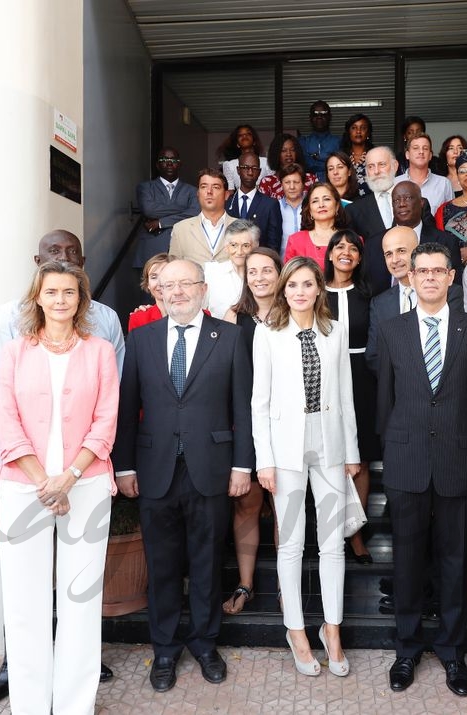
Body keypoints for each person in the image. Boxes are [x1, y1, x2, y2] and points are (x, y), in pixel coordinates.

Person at [0, 229, 122, 703]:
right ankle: (29, 705)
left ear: (81, 298)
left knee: (80, 600)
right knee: (25, 605)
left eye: (69, 291)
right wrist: (46, 482)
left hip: (85, 484)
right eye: (51, 292)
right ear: (37, 298)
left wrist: (70, 477)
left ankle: (73, 705)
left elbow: (106, 422)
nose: (60, 299)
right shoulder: (14, 352)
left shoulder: (100, 351)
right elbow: (7, 422)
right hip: (25, 487)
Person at [113, 259, 253, 693]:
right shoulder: (140, 339)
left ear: (203, 289)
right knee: (162, 566)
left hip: (211, 469)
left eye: (185, 284)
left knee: (209, 562)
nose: (175, 292)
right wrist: (125, 465)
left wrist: (241, 465)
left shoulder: (229, 338)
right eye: (167, 285)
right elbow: (126, 408)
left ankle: (206, 644)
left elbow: (243, 409)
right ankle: (166, 650)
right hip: (155, 471)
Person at [376, 242, 467, 698]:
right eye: (419, 270)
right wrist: (394, 448)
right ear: (410, 278)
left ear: (451, 278)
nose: (428, 278)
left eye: (436, 271)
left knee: (453, 562)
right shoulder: (391, 331)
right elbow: (386, 402)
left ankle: (452, 651)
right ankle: (406, 648)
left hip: (457, 463)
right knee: (406, 561)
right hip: (407, 463)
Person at [252, 257, 360, 678]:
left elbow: (347, 394)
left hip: (329, 442)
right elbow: (259, 404)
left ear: (319, 290)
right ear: (284, 290)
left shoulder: (334, 332)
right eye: (292, 284)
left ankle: (331, 630)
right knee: (291, 544)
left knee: (332, 543)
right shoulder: (268, 334)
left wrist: (351, 450)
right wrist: (265, 460)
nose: (300, 291)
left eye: (307, 284)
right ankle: (295, 630)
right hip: (286, 449)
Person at [220, 247, 283, 615]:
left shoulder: (292, 311)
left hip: (282, 420)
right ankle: (246, 584)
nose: (259, 277)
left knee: (284, 508)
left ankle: (284, 586)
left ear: (279, 273)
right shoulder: (234, 315)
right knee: (247, 505)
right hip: (244, 419)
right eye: (252, 271)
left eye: (266, 270)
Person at [323, 230, 378, 564]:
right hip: (326, 377)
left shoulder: (369, 294)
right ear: (329, 254)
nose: (345, 252)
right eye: (338, 247)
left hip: (361, 375)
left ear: (359, 257)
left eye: (352, 248)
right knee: (331, 454)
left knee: (362, 458)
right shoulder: (314, 293)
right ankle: (331, 531)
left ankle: (356, 534)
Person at [365, 226, 463, 374]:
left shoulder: (450, 293)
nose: (395, 260)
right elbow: (373, 356)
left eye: (401, 251)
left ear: (417, 252)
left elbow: (453, 347)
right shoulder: (379, 303)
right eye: (388, 254)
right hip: (397, 392)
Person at [135, 147, 200, 273]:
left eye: (173, 159)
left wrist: (160, 222)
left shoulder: (192, 190)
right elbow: (149, 210)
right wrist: (183, 208)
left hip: (183, 249)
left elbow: (194, 213)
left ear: (179, 164)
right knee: (151, 291)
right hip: (152, 249)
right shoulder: (145, 187)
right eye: (164, 159)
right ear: (157, 165)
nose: (169, 163)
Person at [346, 146, 400, 291]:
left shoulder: (413, 202)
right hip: (372, 289)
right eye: (371, 166)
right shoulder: (354, 210)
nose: (376, 171)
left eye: (382, 164)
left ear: (394, 166)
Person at [391, 180, 463, 285]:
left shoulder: (446, 242)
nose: (402, 204)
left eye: (408, 198)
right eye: (396, 200)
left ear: (421, 202)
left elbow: (454, 287)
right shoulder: (375, 244)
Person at [169, 169, 235, 265]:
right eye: (203, 187)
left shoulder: (242, 228)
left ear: (226, 195)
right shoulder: (180, 229)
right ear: (198, 193)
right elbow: (173, 269)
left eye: (216, 187)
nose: (209, 191)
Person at [223, 150, 282, 253]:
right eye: (245, 168)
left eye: (254, 168)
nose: (250, 172)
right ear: (238, 170)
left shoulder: (270, 204)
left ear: (259, 172)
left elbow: (273, 245)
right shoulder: (227, 203)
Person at [283, 183, 350, 267]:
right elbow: (289, 276)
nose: (321, 205)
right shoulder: (295, 241)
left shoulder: (352, 239)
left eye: (326, 199)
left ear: (337, 206)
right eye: (315, 201)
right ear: (309, 210)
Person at [204, 220, 258, 317]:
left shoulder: (263, 276)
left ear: (255, 246)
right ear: (226, 247)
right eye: (234, 245)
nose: (239, 252)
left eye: (246, 246)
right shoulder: (212, 273)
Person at [396, 133, 453, 214]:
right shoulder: (395, 184)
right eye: (416, 148)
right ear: (407, 155)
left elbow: (450, 217)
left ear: (430, 155)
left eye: (425, 148)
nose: (421, 152)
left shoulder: (443, 183)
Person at [258, 133, 317, 199]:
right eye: (283, 150)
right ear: (276, 154)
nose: (288, 154)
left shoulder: (310, 179)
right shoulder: (267, 182)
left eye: (292, 150)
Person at [218, 124, 271, 194]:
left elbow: (272, 187)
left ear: (254, 141)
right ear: (237, 144)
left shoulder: (266, 162)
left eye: (248, 134)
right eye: (240, 135)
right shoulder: (229, 165)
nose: (244, 136)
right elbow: (230, 192)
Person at [128, 253, 172, 331]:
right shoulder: (138, 318)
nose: (160, 283)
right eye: (154, 277)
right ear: (148, 284)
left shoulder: (197, 315)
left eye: (166, 276)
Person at [299, 100, 341, 176]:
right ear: (310, 118)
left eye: (323, 113)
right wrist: (328, 158)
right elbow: (306, 165)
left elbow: (340, 166)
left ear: (330, 117)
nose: (319, 117)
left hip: (333, 186)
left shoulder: (339, 142)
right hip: (309, 186)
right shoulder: (303, 142)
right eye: (315, 114)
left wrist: (316, 157)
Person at [276, 164, 309, 259]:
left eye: (296, 182)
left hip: (309, 263)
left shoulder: (311, 207)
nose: (292, 187)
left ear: (303, 184)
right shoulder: (275, 208)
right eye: (287, 182)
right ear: (281, 184)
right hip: (282, 265)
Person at [340, 113, 374, 196]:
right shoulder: (341, 157)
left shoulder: (374, 156)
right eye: (354, 128)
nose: (358, 131)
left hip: (370, 203)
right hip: (346, 204)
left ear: (368, 133)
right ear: (348, 132)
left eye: (363, 128)